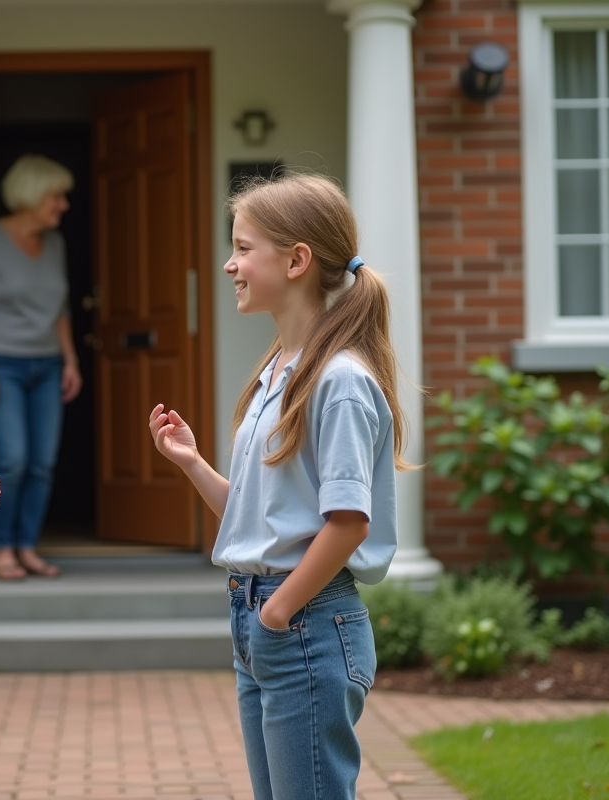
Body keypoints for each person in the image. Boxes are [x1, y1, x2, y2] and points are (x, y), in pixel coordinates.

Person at [148, 172, 411, 800]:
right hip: (263, 618)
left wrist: (278, 610)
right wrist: (193, 464)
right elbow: (259, 519)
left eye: (243, 248)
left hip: (302, 623)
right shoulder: (279, 370)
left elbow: (349, 523)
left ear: (296, 261)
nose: (228, 264)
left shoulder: (339, 381)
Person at [0, 155, 82, 580]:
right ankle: (0, 548)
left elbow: (60, 310)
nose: (63, 204)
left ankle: (26, 546)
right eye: (56, 196)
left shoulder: (55, 244)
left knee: (42, 463)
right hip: (1, 365)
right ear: (31, 195)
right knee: (12, 460)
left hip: (48, 366)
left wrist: (70, 360)